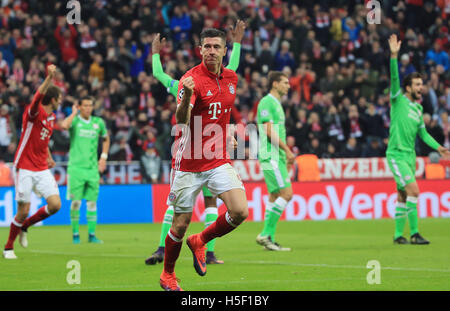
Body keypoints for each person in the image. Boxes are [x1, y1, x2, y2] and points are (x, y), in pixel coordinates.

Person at [146, 20, 245, 266]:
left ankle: (173, 247)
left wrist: (156, 55)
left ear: (221, 49)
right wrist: (238, 44)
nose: (211, 51)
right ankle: (197, 252)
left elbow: (158, 73)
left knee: (228, 207)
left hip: (215, 153)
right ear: (200, 50)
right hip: (189, 151)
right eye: (206, 47)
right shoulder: (186, 82)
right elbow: (232, 63)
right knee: (187, 213)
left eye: (216, 47)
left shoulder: (225, 79)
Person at [386, 34, 450, 245]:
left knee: (403, 195)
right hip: (396, 153)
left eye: (421, 84)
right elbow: (394, 78)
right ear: (407, 88)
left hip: (410, 155)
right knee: (414, 191)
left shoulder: (419, 108)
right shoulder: (397, 100)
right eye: (416, 85)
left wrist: (439, 147)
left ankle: (397, 236)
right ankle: (414, 234)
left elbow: (422, 134)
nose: (420, 87)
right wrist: (394, 56)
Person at [3, 64, 62, 259]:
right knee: (23, 209)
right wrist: (49, 78)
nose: (60, 102)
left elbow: (43, 141)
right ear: (53, 99)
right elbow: (37, 97)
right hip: (25, 166)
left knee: (55, 205)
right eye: (59, 99)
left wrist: (50, 158)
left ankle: (26, 226)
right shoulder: (33, 113)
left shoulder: (51, 118)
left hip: (42, 167)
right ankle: (8, 247)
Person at [61, 96, 110, 244]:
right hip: (76, 168)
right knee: (76, 202)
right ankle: (75, 234)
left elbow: (106, 138)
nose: (88, 108)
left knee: (92, 203)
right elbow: (64, 126)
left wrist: (103, 157)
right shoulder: (75, 121)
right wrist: (72, 113)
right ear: (80, 107)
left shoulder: (98, 122)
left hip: (92, 169)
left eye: (90, 105)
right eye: (85, 105)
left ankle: (91, 235)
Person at [255, 71, 294, 251]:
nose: (288, 85)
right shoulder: (267, 102)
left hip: (276, 156)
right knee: (287, 194)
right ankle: (264, 233)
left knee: (275, 195)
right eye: (285, 83)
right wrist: (287, 150)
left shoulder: (277, 104)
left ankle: (268, 238)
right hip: (271, 155)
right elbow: (269, 132)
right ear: (275, 84)